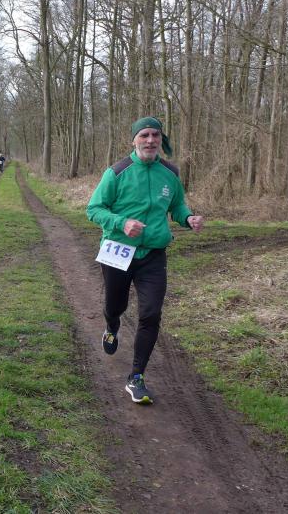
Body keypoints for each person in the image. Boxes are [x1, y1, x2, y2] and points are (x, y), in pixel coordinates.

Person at [86, 116, 204, 404]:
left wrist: (187, 218)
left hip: (153, 254)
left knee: (151, 314)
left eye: (155, 135)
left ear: (161, 139)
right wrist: (122, 223)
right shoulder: (117, 173)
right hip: (117, 250)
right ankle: (112, 326)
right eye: (145, 135)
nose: (151, 140)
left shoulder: (170, 173)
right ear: (134, 140)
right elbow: (94, 209)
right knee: (115, 306)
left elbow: (176, 205)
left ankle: (136, 377)